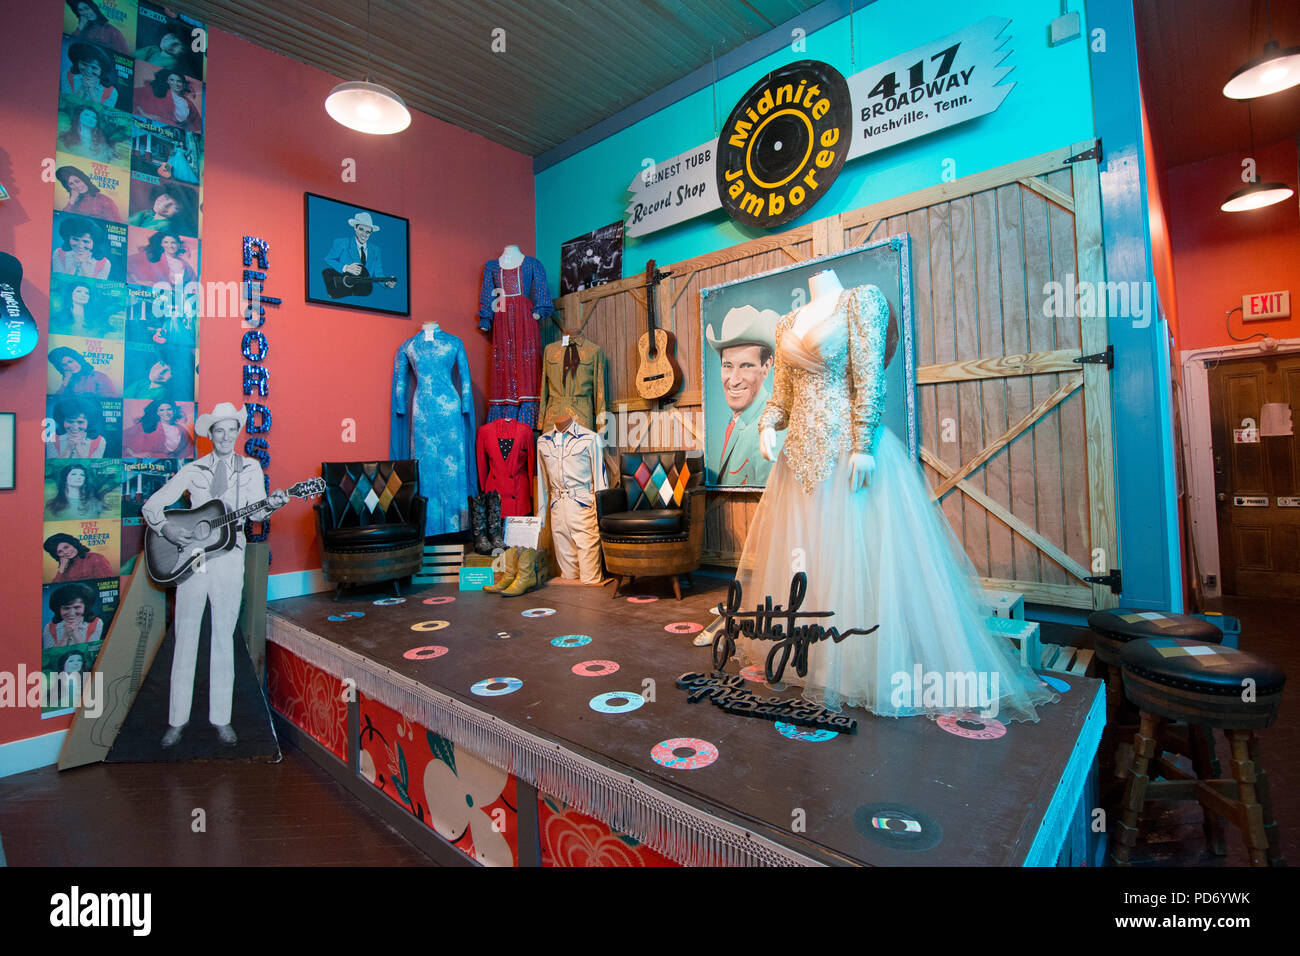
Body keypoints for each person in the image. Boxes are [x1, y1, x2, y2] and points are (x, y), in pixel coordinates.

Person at [730, 270, 1058, 722]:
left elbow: (869, 379)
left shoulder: (860, 300)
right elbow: (782, 396)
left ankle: (862, 667)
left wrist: (863, 443)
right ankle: (816, 660)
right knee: (808, 560)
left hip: (850, 453)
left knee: (858, 560)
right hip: (798, 461)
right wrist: (768, 424)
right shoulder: (787, 324)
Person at [142, 402, 288, 748]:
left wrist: (276, 502)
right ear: (210, 435)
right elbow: (152, 506)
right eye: (218, 431)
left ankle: (221, 720)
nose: (225, 436)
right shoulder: (193, 469)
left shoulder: (250, 468)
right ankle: (177, 721)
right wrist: (169, 531)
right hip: (192, 558)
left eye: (230, 430)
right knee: (186, 635)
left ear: (238, 433)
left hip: (230, 557)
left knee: (224, 636)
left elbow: (258, 512)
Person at [706, 305, 778, 487]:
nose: (734, 380)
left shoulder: (769, 428)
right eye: (727, 366)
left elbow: (766, 501)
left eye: (746, 365)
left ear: (767, 366)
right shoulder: (739, 420)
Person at [324, 212, 394, 293]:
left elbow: (378, 273)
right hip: (343, 290)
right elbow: (328, 259)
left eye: (368, 232)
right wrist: (346, 268)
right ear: (355, 227)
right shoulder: (342, 243)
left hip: (362, 292)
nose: (364, 234)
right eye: (361, 229)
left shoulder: (375, 250)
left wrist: (386, 282)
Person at [136, 68, 202, 131]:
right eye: (172, 80)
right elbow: (135, 96)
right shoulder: (157, 92)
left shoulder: (188, 103)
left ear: (183, 84)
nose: (176, 84)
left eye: (179, 81)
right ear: (167, 81)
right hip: (156, 128)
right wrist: (144, 114)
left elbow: (197, 124)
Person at [43, 582, 103, 649]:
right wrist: (65, 636)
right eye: (66, 608)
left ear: (85, 607)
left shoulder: (96, 623)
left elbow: (90, 652)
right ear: (58, 609)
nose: (71, 613)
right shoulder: (49, 628)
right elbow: (50, 657)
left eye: (77, 607)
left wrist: (75, 632)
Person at [123, 399, 192, 457]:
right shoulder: (147, 425)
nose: (166, 413)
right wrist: (133, 454)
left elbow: (189, 448)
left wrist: (176, 457)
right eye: (162, 410)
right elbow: (124, 437)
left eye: (169, 409)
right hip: (149, 463)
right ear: (157, 413)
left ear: (174, 411)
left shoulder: (181, 430)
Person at [127, 230, 196, 286]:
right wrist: (138, 282)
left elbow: (193, 283)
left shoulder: (185, 264)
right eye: (166, 242)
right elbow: (125, 264)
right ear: (161, 244)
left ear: (178, 245)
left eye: (173, 242)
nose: (170, 246)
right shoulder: (153, 256)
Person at [61, 41, 118, 108]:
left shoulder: (112, 92)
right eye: (84, 64)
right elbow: (66, 105)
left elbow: (101, 114)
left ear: (103, 70)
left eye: (94, 68)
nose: (88, 71)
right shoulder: (67, 76)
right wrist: (82, 88)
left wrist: (91, 91)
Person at [56, 165, 121, 221]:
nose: (77, 186)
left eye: (77, 181)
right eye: (71, 184)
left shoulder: (104, 200)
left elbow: (117, 224)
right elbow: (61, 220)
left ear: (84, 179)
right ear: (68, 187)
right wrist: (72, 201)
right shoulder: (72, 202)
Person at [48, 346, 119, 398]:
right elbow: (56, 400)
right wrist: (66, 381)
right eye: (64, 365)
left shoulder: (99, 377)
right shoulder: (68, 380)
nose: (69, 366)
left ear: (78, 359)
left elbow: (110, 400)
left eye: (70, 361)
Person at [128, 183, 196, 234]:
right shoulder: (147, 214)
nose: (164, 205)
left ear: (181, 213)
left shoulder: (165, 226)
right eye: (166, 197)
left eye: (175, 207)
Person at [45, 532, 114, 582]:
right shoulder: (64, 565)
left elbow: (108, 582)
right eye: (60, 551)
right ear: (57, 555)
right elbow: (54, 588)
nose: (65, 552)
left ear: (74, 544)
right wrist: (61, 568)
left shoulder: (95, 558)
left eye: (66, 547)